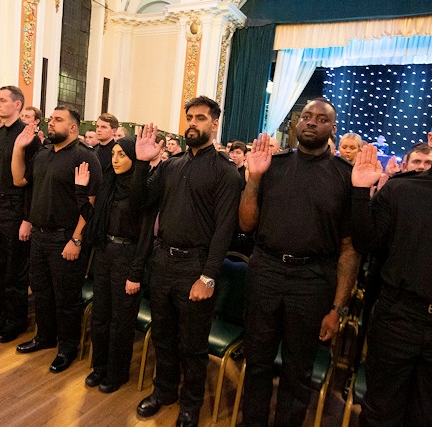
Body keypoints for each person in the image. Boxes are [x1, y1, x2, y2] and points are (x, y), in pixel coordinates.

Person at [351, 97, 432, 425]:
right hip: (397, 319)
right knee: (378, 413)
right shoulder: (400, 191)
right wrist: (360, 191)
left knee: (431, 419)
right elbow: (366, 243)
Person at [238, 98, 360, 426]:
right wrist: (253, 179)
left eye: (321, 119)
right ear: (296, 122)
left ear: (332, 128)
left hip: (313, 279)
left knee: (298, 369)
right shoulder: (273, 166)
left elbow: (349, 250)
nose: (311, 122)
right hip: (265, 270)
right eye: (306, 116)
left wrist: (338, 309)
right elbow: (247, 224)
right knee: (257, 360)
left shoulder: (344, 176)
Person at [133, 96, 242, 427]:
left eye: (200, 118)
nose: (193, 123)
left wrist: (208, 277)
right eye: (189, 117)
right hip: (163, 260)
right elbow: (140, 202)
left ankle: (191, 405)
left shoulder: (226, 172)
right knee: (163, 335)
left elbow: (225, 229)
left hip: (196, 265)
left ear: (214, 124)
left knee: (193, 345)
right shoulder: (171, 165)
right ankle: (164, 390)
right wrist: (141, 164)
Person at [11, 106, 102, 373]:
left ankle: (67, 347)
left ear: (74, 127)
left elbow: (92, 204)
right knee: (40, 291)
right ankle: (45, 337)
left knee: (66, 298)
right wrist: (18, 147)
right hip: (39, 235)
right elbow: (19, 180)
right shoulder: (43, 153)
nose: (51, 124)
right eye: (51, 119)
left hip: (65, 237)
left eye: (58, 120)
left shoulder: (85, 157)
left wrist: (76, 240)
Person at [77, 137, 149, 393]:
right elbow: (92, 219)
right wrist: (81, 191)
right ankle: (99, 368)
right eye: (114, 154)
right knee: (100, 315)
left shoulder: (142, 190)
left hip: (128, 255)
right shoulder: (109, 183)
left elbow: (145, 237)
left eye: (122, 155)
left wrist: (136, 273)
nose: (115, 159)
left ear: (134, 157)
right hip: (105, 251)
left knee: (121, 320)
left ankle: (117, 373)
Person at [0, 85, 41, 343]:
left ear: (17, 105)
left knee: (14, 270)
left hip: (15, 208)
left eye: (3, 100)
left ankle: (16, 320)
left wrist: (27, 218)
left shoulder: (28, 136)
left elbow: (31, 181)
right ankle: (3, 315)